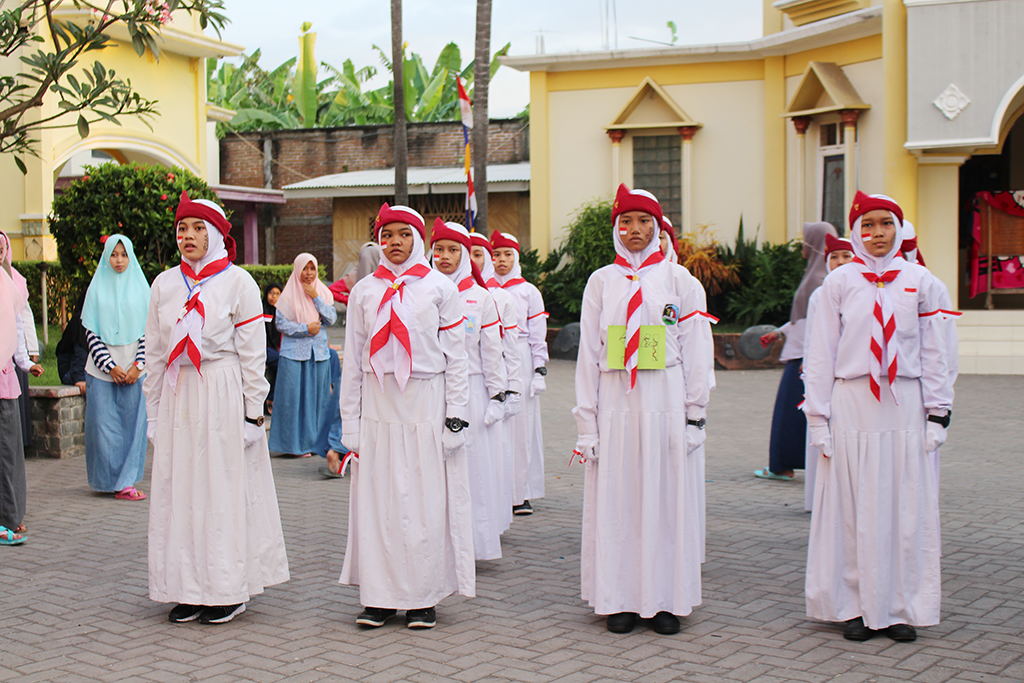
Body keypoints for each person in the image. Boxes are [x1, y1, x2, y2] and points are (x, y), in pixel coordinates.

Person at [803, 192, 956, 643]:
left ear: (899, 228)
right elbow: (820, 354)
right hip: (852, 401)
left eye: (884, 224)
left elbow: (937, 351)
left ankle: (900, 606)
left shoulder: (922, 282)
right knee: (851, 509)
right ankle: (853, 605)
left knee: (904, 508)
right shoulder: (838, 283)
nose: (876, 234)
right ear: (855, 231)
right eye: (867, 225)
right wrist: (818, 417)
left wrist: (937, 413)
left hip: (903, 402)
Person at [573, 184, 716, 635]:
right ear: (616, 229)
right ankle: (620, 599)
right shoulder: (601, 281)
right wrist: (587, 425)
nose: (634, 230)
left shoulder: (680, 281)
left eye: (643, 222)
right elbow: (588, 356)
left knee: (664, 499)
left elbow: (697, 351)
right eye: (626, 222)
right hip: (616, 401)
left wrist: (695, 414)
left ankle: (665, 600)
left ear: (657, 228)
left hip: (665, 399)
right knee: (620, 500)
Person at [144, 191, 289, 625]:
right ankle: (186, 587)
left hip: (222, 391)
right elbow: (153, 353)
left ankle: (227, 588)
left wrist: (252, 413)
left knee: (220, 491)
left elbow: (252, 354)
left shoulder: (238, 283)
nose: (187, 236)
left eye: (197, 228)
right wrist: (152, 412)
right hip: (178, 394)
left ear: (215, 234)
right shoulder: (165, 284)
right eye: (181, 228)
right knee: (181, 491)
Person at [339, 203, 473, 630]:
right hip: (379, 406)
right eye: (386, 235)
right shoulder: (364, 291)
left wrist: (456, 418)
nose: (394, 242)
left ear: (418, 240)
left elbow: (457, 360)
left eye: (403, 234)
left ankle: (422, 597)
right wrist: (350, 421)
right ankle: (379, 597)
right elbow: (354, 364)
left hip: (425, 403)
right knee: (378, 503)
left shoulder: (440, 289)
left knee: (422, 502)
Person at [431, 219, 508, 560]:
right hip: (434, 390)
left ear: (466, 256)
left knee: (472, 468)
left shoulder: (481, 298)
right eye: (439, 249)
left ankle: (473, 544)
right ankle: (440, 542)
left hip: (473, 392)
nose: (444, 256)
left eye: (453, 250)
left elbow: (492, 352)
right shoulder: (423, 291)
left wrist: (497, 396)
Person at [754, 222, 837, 482]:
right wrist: (779, 332)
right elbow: (802, 319)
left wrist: (807, 359)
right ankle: (786, 464)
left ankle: (782, 466)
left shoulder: (819, 278)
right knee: (794, 413)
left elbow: (817, 324)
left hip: (803, 358)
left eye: (806, 239)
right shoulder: (816, 273)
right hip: (801, 354)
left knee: (789, 414)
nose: (803, 244)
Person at [81, 235, 151, 501]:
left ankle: (125, 483)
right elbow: (90, 331)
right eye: (114, 254)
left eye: (124, 254)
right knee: (103, 427)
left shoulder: (142, 289)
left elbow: (150, 331)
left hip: (136, 370)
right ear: (106, 257)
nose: (119, 260)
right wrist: (110, 366)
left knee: (134, 428)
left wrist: (138, 365)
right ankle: (108, 481)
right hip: (102, 371)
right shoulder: (96, 288)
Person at [491, 231, 547, 516]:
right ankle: (496, 491)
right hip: (492, 357)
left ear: (517, 257)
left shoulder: (528, 292)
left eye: (507, 254)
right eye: (496, 254)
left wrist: (539, 369)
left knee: (521, 428)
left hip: (522, 359)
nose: (501, 260)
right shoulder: (484, 290)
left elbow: (538, 335)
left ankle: (520, 493)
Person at [469, 231, 521, 532]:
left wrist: (509, 391)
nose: (474, 261)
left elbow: (508, 349)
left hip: (488, 388)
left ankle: (493, 522)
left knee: (488, 462)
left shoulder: (500, 297)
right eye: (471, 253)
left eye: (479, 254)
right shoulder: (442, 292)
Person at [800, 233, 854, 512]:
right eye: (834, 256)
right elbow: (814, 340)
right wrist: (810, 374)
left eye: (846, 255)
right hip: (825, 376)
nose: (840, 261)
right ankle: (818, 501)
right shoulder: (820, 294)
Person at [267, 254, 337, 457]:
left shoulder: (322, 292)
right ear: (297, 269)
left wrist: (315, 296)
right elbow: (281, 324)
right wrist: (305, 328)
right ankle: (293, 446)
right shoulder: (288, 295)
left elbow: (331, 318)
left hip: (319, 354)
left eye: (312, 269)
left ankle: (314, 443)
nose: (308, 273)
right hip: (293, 355)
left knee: (318, 400)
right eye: (304, 269)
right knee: (292, 400)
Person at [0, 231, 44, 545]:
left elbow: (14, 331)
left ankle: (9, 518)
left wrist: (28, 364)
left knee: (9, 454)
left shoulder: (8, 285)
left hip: (5, 385)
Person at [262, 282, 282, 415]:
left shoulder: (282, 311)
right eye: (271, 293)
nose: (273, 297)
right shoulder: (260, 309)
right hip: (262, 349)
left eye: (277, 294)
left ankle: (272, 398)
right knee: (283, 361)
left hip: (276, 350)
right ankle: (271, 398)